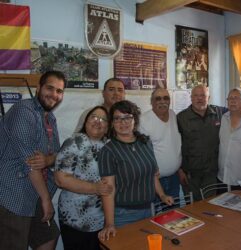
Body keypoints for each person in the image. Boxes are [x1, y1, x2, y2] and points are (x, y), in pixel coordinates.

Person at [0, 71, 66, 250]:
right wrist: (46, 199)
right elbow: (31, 163)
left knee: (49, 237)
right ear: (39, 88)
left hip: (35, 194)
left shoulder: (49, 118)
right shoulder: (24, 110)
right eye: (50, 88)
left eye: (59, 91)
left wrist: (48, 159)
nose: (54, 95)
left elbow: (56, 155)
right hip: (12, 196)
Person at [98, 100, 173, 241]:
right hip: (124, 215)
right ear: (112, 123)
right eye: (117, 119)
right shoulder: (108, 151)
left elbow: (152, 174)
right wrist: (109, 223)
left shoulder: (145, 143)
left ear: (135, 120)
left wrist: (162, 195)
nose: (123, 122)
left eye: (127, 117)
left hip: (150, 210)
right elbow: (108, 190)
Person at [53, 106, 112, 250]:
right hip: (76, 219)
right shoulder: (74, 142)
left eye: (103, 119)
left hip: (100, 219)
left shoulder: (108, 145)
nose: (98, 121)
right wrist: (95, 188)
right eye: (94, 117)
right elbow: (60, 179)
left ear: (107, 127)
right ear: (85, 121)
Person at [177, 85, 227, 201]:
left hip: (212, 173)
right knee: (193, 208)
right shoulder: (181, 118)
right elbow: (175, 146)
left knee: (211, 206)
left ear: (208, 97)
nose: (199, 99)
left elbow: (237, 110)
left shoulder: (218, 113)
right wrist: (179, 170)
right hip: (190, 174)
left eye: (203, 95)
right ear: (191, 98)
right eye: (196, 95)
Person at [139, 88, 182, 199]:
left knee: (174, 213)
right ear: (151, 102)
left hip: (174, 178)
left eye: (166, 98)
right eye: (158, 99)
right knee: (157, 214)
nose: (162, 101)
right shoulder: (143, 121)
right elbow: (141, 152)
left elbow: (175, 144)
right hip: (155, 181)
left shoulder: (173, 115)